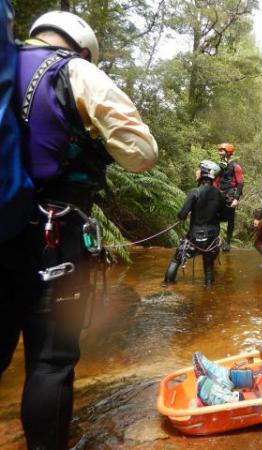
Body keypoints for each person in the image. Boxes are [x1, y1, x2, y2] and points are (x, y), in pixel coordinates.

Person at [0, 10, 158, 450]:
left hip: (2, 227)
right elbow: (142, 154)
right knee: (51, 362)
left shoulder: (4, 66)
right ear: (83, 46)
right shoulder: (74, 69)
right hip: (55, 234)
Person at [163, 160, 225, 287]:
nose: (196, 172)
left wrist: (190, 213)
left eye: (198, 169)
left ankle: (167, 287)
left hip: (195, 238)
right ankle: (208, 293)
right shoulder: (220, 195)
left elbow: (181, 215)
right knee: (208, 267)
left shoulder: (195, 192)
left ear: (204, 173)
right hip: (212, 239)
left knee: (176, 260)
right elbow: (223, 217)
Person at [213, 143, 243, 252]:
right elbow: (215, 181)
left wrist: (236, 198)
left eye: (222, 151)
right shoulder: (219, 166)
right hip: (219, 195)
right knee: (215, 218)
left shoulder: (236, 167)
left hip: (230, 196)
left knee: (230, 219)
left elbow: (240, 183)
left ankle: (228, 243)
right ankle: (215, 241)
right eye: (219, 150)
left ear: (228, 152)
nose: (219, 153)